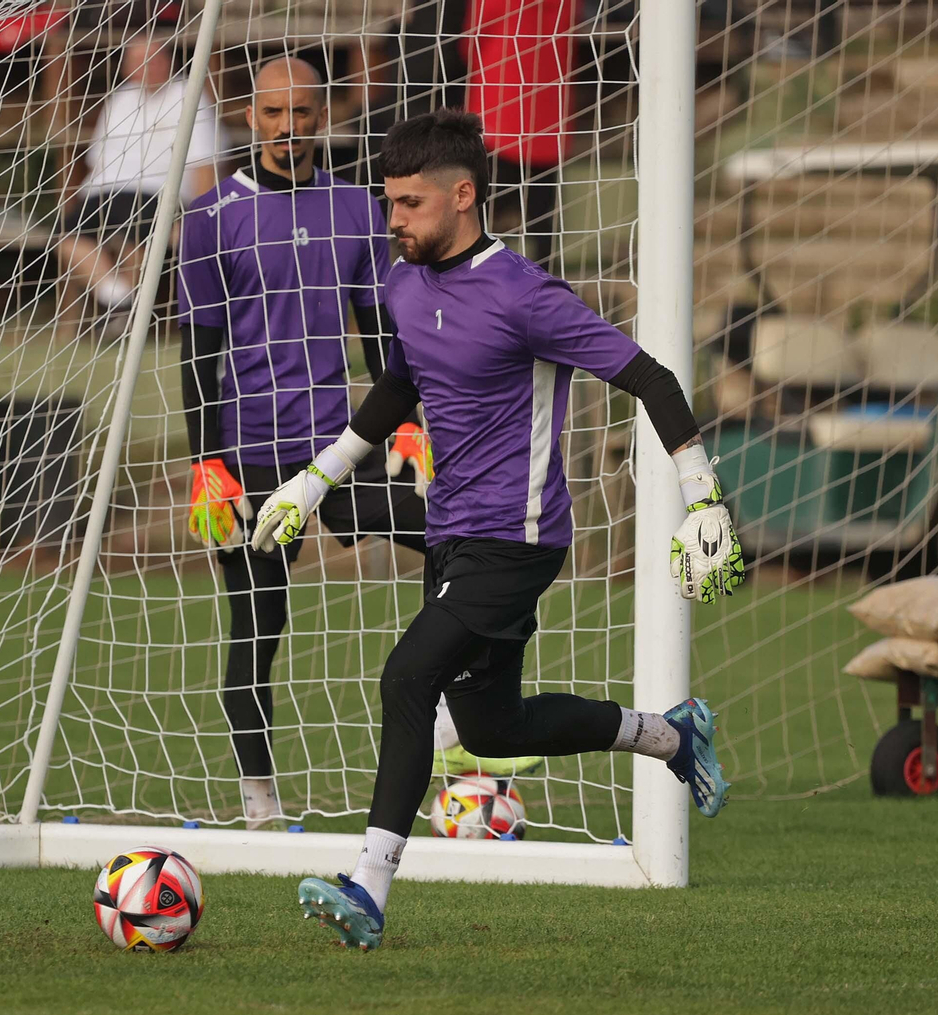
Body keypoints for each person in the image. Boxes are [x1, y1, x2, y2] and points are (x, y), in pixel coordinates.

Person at [248, 110, 745, 950]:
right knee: (491, 727)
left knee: (408, 677)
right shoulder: (403, 284)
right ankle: (670, 733)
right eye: (388, 202)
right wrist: (314, 477)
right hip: (452, 530)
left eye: (409, 203)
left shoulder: (525, 293)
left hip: (519, 541)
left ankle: (368, 887)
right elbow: (396, 389)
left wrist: (706, 497)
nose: (393, 219)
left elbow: (651, 378)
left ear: (463, 196)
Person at [176, 59, 532, 832]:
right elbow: (196, 355)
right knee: (256, 625)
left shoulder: (360, 211)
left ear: (322, 115)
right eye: (273, 113)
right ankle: (260, 801)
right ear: (252, 115)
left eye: (302, 112)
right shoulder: (207, 220)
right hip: (248, 458)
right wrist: (206, 462)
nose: (287, 127)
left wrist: (408, 421)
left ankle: (450, 709)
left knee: (447, 536)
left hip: (341, 447)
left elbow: (383, 331)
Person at [61, 34, 222, 337]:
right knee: (67, 238)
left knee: (133, 242)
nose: (146, 67)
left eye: (154, 59)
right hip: (106, 192)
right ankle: (119, 300)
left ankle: (124, 319)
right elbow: (97, 163)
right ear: (126, 67)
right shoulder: (119, 99)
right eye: (137, 60)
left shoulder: (190, 96)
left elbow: (204, 166)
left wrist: (201, 219)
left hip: (160, 193)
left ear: (169, 61)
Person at [465, 0, 572, 268]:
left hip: (501, 103)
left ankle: (475, 277)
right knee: (543, 218)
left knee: (481, 212)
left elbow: (472, 37)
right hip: (548, 108)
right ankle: (544, 284)